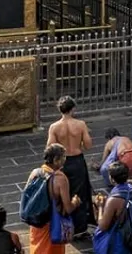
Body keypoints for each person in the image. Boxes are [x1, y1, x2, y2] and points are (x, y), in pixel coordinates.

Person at [44, 96, 93, 238]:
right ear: (73, 109)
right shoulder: (81, 124)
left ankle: (64, 224)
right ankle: (80, 228)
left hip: (62, 163)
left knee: (63, 194)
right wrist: (79, 143)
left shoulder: (54, 127)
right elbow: (88, 145)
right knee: (79, 193)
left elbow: (50, 148)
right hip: (77, 161)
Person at [25, 144, 80, 253]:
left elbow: (26, 195)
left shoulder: (35, 173)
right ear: (55, 159)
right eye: (63, 157)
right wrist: (75, 202)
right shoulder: (60, 179)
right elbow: (68, 208)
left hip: (36, 222)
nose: (65, 160)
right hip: (52, 224)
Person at [91, 161, 132, 254]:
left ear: (112, 179)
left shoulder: (114, 199)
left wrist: (101, 207)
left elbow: (102, 226)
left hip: (120, 240)